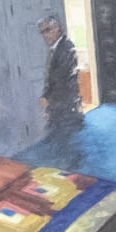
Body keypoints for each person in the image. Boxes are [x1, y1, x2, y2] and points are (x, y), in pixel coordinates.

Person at [37, 14, 82, 142]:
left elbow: (62, 79)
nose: (45, 35)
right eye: (42, 32)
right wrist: (46, 99)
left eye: (47, 30)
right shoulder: (54, 48)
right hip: (57, 105)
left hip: (66, 104)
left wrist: (48, 100)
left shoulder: (67, 47)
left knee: (68, 140)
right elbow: (50, 79)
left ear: (57, 28)